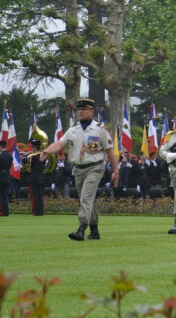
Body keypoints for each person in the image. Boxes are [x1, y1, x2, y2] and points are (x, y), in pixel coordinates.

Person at [40, 98, 119, 241]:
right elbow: (60, 144)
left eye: (84, 109)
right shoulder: (73, 129)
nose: (81, 112)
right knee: (88, 200)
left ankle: (81, 229)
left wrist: (116, 171)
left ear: (91, 111)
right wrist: (46, 151)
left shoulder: (100, 130)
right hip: (78, 169)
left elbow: (110, 152)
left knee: (86, 197)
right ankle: (94, 232)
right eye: (79, 110)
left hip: (95, 167)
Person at [24, 138, 46, 216]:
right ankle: (40, 211)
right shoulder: (43, 155)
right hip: (41, 176)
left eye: (32, 147)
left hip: (34, 177)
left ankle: (35, 211)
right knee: (40, 195)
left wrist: (27, 155)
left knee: (34, 195)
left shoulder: (32, 156)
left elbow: (27, 167)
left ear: (34, 147)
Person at [0, 140, 12, 216]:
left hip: (1, 176)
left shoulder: (0, 156)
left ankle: (2, 212)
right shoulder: (10, 155)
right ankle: (6, 211)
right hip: (7, 176)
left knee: (1, 196)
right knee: (5, 195)